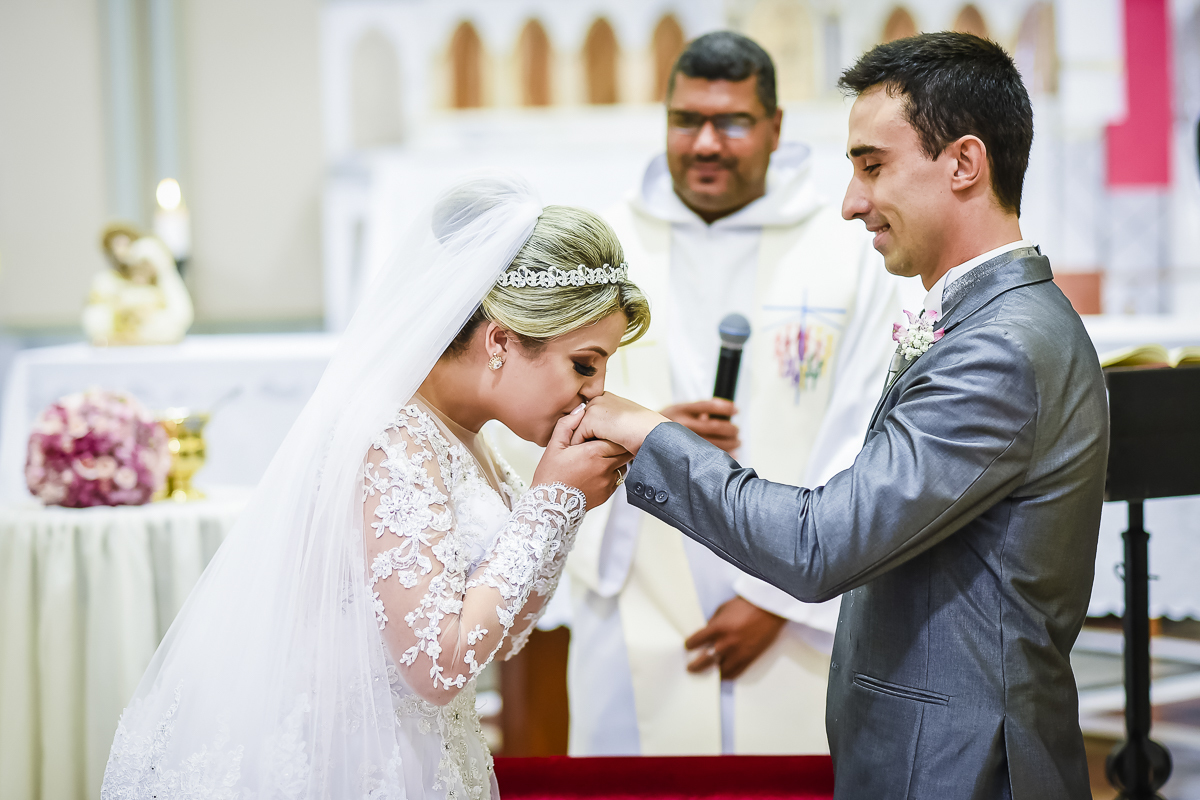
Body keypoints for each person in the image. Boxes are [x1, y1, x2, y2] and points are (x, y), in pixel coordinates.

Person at [568, 33, 1108, 799]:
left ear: (963, 163)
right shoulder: (987, 322)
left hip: (959, 763)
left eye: (872, 165)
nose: (852, 202)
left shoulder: (1000, 349)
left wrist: (646, 432)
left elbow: (824, 544)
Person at [100, 176, 649, 800]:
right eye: (584, 363)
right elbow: (438, 665)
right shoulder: (392, 437)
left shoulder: (471, 439)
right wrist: (550, 505)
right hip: (349, 760)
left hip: (424, 751)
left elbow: (507, 629)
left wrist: (564, 504)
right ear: (500, 340)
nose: (595, 392)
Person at [567, 31, 909, 756]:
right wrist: (647, 431)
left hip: (798, 606)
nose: (706, 143)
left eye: (733, 122)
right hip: (636, 592)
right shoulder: (603, 247)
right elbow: (542, 404)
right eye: (686, 120)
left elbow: (867, 428)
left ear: (776, 128)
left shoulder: (847, 250)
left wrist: (777, 597)